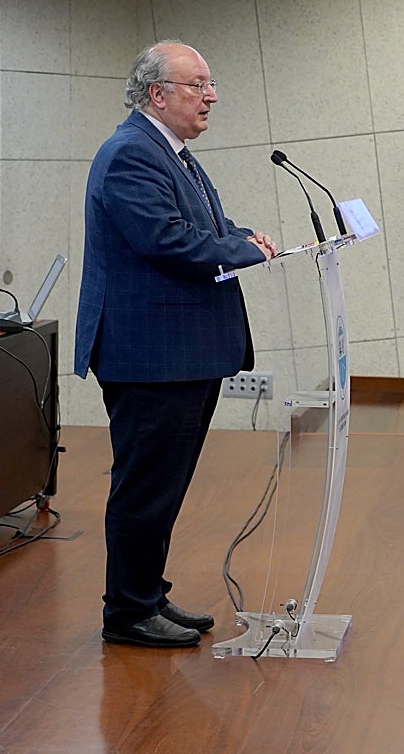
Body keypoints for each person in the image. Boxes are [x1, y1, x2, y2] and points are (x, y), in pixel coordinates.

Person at [74, 40, 278, 649]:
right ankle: (128, 612)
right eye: (198, 84)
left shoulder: (172, 152)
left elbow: (199, 230)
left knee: (164, 485)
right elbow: (167, 242)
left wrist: (242, 235)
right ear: (157, 94)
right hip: (151, 357)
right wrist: (243, 250)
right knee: (145, 487)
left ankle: (146, 596)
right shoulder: (131, 155)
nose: (210, 95)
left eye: (210, 83)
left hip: (178, 354)